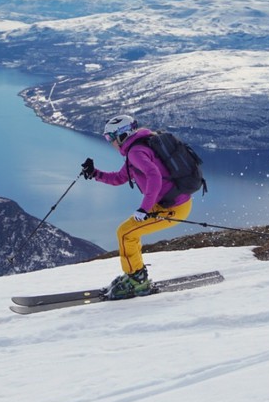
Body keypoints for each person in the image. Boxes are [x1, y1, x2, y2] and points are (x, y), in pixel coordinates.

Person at [80, 114, 194, 299]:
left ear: (122, 135)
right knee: (128, 233)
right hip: (172, 203)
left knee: (126, 233)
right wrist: (94, 173)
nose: (110, 142)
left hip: (173, 208)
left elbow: (154, 176)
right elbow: (119, 178)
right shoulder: (140, 146)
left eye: (110, 138)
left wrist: (144, 208)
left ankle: (138, 282)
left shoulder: (135, 152)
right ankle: (135, 274)